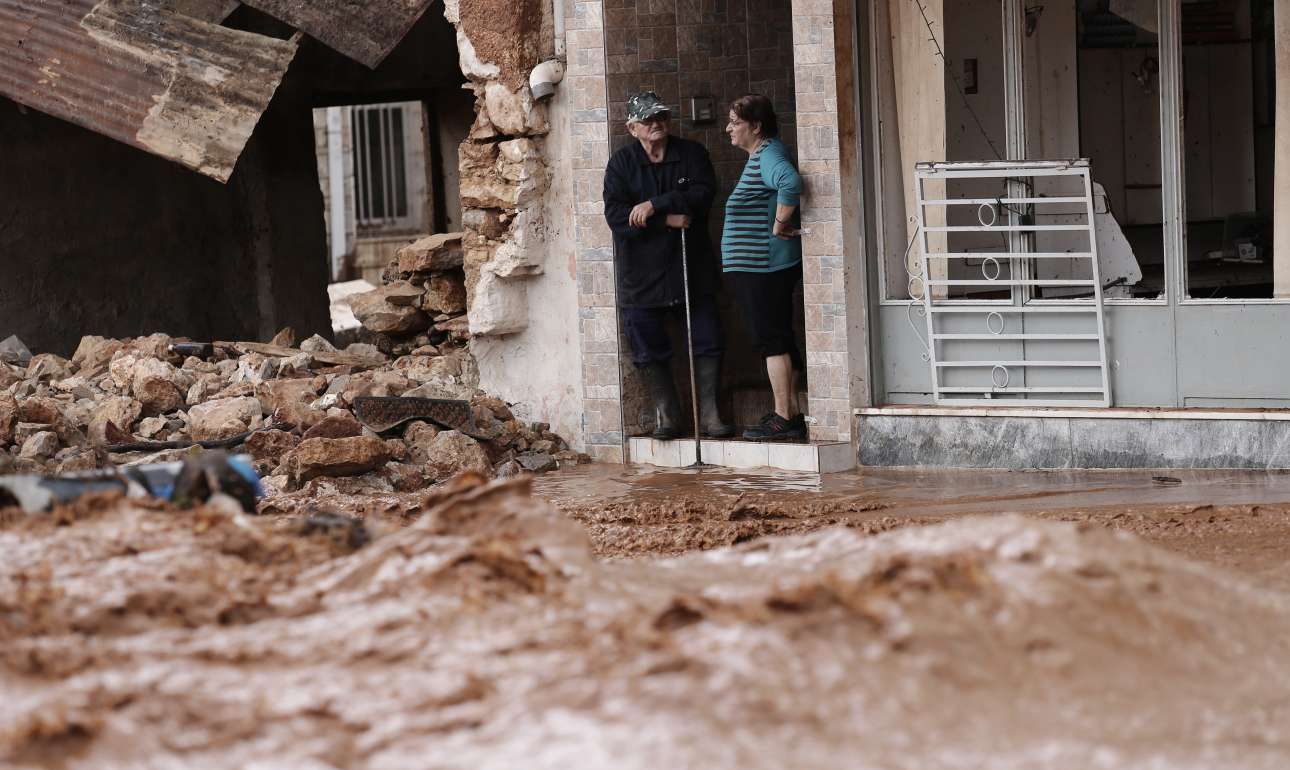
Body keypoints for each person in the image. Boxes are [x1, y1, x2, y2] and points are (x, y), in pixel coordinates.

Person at [603, 91, 734, 440]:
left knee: (708, 337)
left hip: (690, 265)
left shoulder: (691, 154)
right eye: (647, 120)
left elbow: (703, 195)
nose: (656, 123)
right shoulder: (621, 164)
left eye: (660, 117)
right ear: (633, 128)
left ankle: (710, 414)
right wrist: (667, 220)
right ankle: (666, 413)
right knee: (645, 339)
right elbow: (617, 217)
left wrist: (655, 204)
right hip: (642, 274)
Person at [722, 94, 807, 441]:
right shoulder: (762, 154)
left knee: (771, 340)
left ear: (756, 126)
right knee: (778, 337)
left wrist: (779, 224)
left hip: (763, 268)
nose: (728, 128)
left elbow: (790, 182)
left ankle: (784, 416)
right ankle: (790, 413)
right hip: (759, 267)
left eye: (735, 122)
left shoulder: (769, 154)